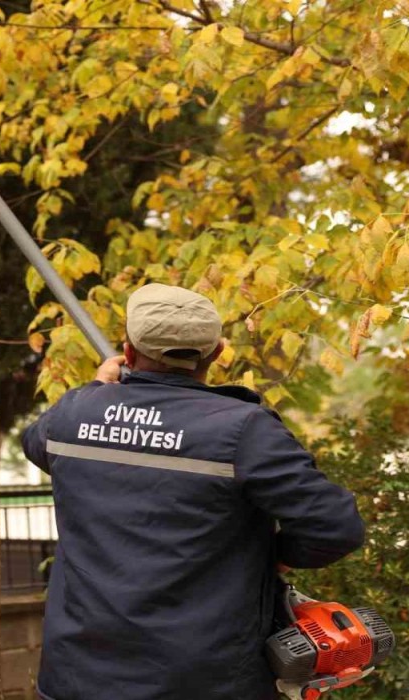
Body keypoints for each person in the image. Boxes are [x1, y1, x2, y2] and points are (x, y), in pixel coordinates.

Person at [22, 283, 365, 700]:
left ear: (127, 353)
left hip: (76, 679)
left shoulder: (74, 413)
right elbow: (335, 527)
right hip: (204, 680)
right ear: (218, 352)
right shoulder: (242, 429)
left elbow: (38, 445)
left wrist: (98, 391)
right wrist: (277, 557)